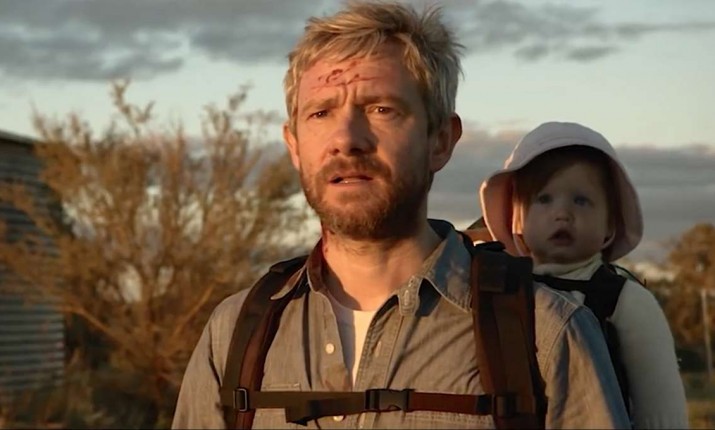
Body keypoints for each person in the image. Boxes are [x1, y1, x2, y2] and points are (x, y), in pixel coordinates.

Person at [172, 2, 630, 428]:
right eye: (321, 113)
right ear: (294, 145)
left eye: (381, 109)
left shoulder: (545, 332)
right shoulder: (233, 334)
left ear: (440, 140)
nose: (346, 139)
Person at [479, 121, 689, 429]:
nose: (562, 214)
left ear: (610, 225)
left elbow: (662, 410)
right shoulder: (500, 293)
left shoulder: (626, 301)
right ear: (518, 219)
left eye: (581, 200)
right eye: (544, 199)